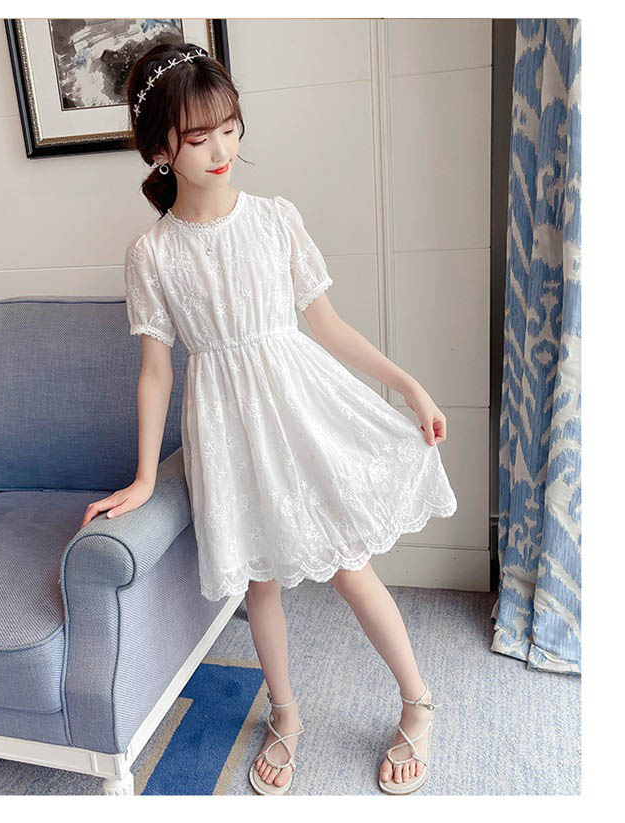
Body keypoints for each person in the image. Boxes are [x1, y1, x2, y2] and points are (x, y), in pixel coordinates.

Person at [80, 41, 457, 796]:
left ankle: (418, 702)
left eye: (230, 128)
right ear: (160, 150)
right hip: (225, 430)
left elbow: (329, 327)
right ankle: (285, 715)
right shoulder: (152, 254)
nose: (223, 150)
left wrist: (409, 386)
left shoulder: (276, 219)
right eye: (200, 137)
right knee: (258, 583)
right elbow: (156, 370)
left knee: (351, 566)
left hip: (300, 413)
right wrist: (146, 477)